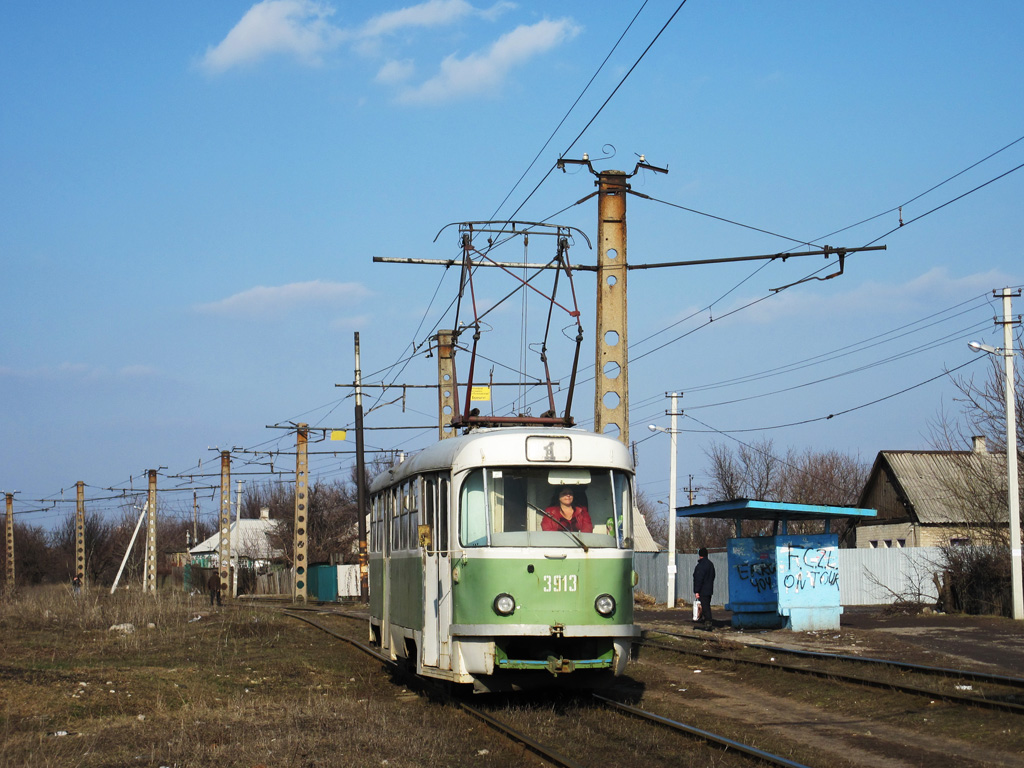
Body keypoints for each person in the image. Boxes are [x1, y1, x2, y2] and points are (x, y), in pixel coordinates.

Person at [693, 547, 715, 631]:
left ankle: (708, 623)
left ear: (699, 555)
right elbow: (713, 576)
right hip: (709, 588)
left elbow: (698, 579)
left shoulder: (700, 566)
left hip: (703, 589)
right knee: (707, 605)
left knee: (705, 607)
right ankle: (706, 620)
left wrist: (697, 591)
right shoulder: (710, 564)